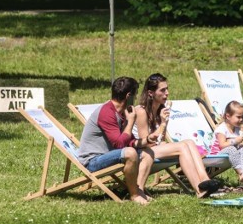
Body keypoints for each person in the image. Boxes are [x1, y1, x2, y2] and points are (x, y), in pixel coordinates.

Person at [135, 73, 220, 198]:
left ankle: (204, 179)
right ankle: (199, 189)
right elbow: (146, 143)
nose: (167, 93)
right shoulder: (141, 111)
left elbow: (161, 140)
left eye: (167, 89)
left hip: (153, 149)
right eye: (162, 90)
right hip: (141, 152)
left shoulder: (160, 110)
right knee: (182, 147)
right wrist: (163, 123)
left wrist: (164, 123)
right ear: (150, 93)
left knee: (189, 142)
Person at [77, 77, 152, 205]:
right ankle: (133, 195)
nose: (135, 99)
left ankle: (139, 190)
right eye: (134, 95)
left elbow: (128, 141)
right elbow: (119, 144)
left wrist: (146, 141)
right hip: (93, 161)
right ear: (128, 96)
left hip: (107, 155)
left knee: (147, 153)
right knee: (130, 153)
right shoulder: (107, 112)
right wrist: (131, 122)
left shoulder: (121, 112)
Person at [209, 100, 243, 188]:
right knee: (232, 149)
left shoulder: (236, 129)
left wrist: (242, 132)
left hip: (230, 156)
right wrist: (235, 141)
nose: (241, 120)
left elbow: (239, 145)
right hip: (216, 156)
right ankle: (240, 173)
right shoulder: (222, 129)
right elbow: (222, 145)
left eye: (242, 117)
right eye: (238, 117)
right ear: (228, 116)